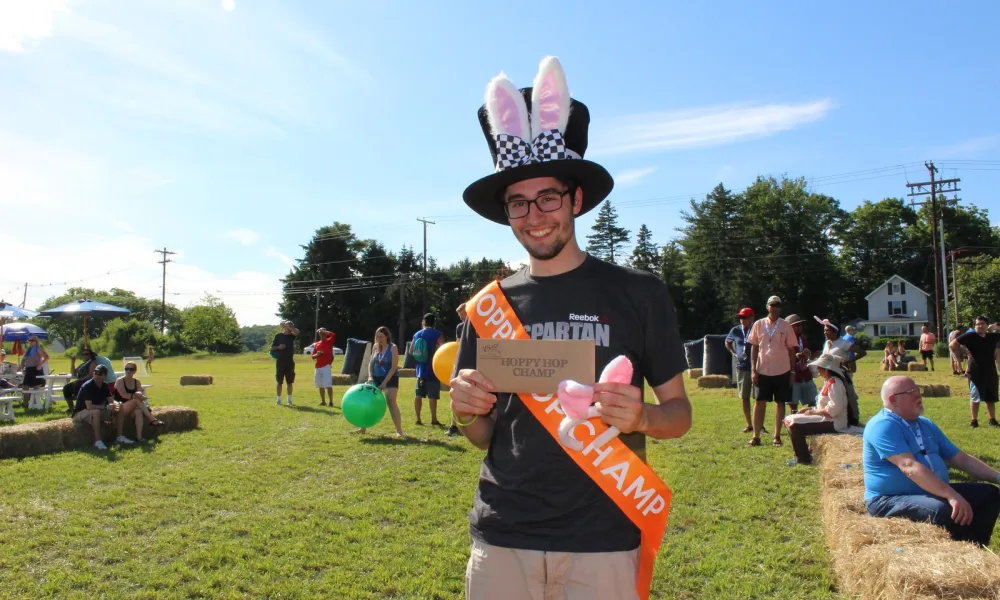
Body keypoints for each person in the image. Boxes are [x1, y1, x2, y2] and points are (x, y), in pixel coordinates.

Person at [449, 56, 692, 600]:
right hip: (503, 536)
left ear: (576, 199)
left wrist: (645, 416)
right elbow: (483, 436)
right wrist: (465, 411)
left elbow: (680, 414)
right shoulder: (488, 308)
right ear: (506, 213)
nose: (534, 215)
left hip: (604, 539)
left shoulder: (639, 292)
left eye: (548, 198)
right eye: (518, 203)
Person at [863, 376, 1000, 547]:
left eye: (918, 390)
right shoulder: (883, 425)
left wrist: (997, 477)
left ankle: (976, 549)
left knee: (989, 494)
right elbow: (909, 466)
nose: (919, 396)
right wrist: (952, 495)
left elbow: (960, 458)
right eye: (911, 392)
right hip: (889, 499)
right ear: (893, 400)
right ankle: (961, 554)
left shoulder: (925, 424)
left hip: (929, 492)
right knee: (943, 510)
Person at [747, 295, 797, 448]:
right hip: (763, 370)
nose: (775, 308)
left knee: (780, 402)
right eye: (772, 305)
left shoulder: (786, 325)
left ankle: (777, 436)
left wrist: (793, 372)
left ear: (780, 308)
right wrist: (753, 369)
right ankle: (756, 436)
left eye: (777, 305)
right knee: (759, 402)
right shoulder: (758, 324)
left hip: (782, 370)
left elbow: (791, 350)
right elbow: (754, 348)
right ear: (767, 307)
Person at [784, 353, 850, 465]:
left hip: (834, 422)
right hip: (827, 418)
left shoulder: (835, 383)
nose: (817, 370)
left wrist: (814, 412)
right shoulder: (829, 381)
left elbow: (835, 408)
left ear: (826, 369)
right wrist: (808, 409)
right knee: (790, 419)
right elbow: (825, 405)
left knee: (794, 424)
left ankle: (803, 458)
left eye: (819, 367)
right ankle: (802, 455)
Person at [950, 316, 1000, 428]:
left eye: (982, 324)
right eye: (977, 324)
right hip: (975, 372)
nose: (980, 326)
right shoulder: (970, 336)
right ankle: (974, 421)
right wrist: (961, 354)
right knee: (975, 397)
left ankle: (992, 419)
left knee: (990, 397)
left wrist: (995, 328)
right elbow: (952, 344)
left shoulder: (992, 336)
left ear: (987, 325)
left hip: (990, 371)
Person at [817, 318, 865, 426]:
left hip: (842, 376)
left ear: (835, 331)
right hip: (829, 377)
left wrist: (849, 361)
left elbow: (862, 352)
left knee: (850, 397)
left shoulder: (843, 343)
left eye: (827, 330)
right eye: (824, 330)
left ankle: (854, 421)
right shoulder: (827, 343)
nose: (825, 332)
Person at [362, 326, 404, 437]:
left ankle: (399, 431)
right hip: (376, 377)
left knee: (391, 401)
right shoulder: (375, 347)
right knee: (368, 401)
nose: (379, 339)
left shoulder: (393, 347)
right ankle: (363, 428)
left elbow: (393, 367)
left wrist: (385, 382)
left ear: (386, 336)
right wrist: (370, 377)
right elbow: (371, 364)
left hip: (390, 377)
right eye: (377, 336)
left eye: (381, 336)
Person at [113, 361, 165, 443]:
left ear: (135, 371)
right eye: (126, 369)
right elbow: (124, 395)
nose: (128, 371)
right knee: (136, 400)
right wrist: (136, 395)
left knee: (138, 411)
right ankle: (152, 419)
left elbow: (139, 391)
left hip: (133, 408)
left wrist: (140, 394)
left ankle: (139, 437)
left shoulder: (137, 381)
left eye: (131, 369)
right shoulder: (120, 381)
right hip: (120, 408)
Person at [725, 307, 757, 433]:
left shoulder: (757, 329)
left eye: (744, 317)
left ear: (751, 318)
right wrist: (733, 353)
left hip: (757, 368)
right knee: (744, 397)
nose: (742, 320)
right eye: (740, 318)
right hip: (742, 368)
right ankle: (749, 424)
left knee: (758, 398)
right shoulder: (735, 330)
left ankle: (759, 424)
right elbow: (727, 342)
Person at [71, 365, 117, 450]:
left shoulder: (105, 386)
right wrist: (106, 407)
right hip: (80, 413)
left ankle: (119, 436)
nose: (97, 376)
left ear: (105, 376)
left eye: (100, 374)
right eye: (95, 373)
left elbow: (111, 400)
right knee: (96, 412)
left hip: (97, 410)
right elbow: (89, 406)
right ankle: (98, 441)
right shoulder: (88, 386)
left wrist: (116, 404)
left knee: (119, 408)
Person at [411, 313, 443, 426]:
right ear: (434, 322)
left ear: (424, 321)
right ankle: (434, 419)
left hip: (420, 370)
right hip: (433, 369)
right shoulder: (438, 334)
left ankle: (418, 419)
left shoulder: (417, 334)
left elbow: (411, 351)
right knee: (432, 395)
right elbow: (442, 349)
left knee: (418, 394)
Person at [447, 303, 470, 437]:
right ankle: (453, 425)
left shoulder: (479, 324)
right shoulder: (460, 327)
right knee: (456, 393)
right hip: (462, 363)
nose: (462, 318)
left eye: (463, 315)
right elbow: (458, 345)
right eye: (460, 316)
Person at [785, 314, 816, 414]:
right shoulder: (784, 340)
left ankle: (807, 422)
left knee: (813, 401)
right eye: (797, 325)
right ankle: (794, 425)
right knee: (793, 406)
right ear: (790, 327)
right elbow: (782, 358)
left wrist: (808, 354)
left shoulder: (802, 338)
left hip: (806, 375)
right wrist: (796, 356)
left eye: (801, 325)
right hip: (793, 376)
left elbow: (807, 354)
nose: (800, 327)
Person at [271, 320, 299, 406]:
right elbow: (272, 347)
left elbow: (297, 332)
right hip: (280, 361)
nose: (290, 329)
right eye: (288, 327)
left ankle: (289, 400)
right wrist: (278, 347)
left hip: (289, 361)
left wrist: (289, 326)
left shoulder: (291, 336)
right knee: (279, 381)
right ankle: (278, 400)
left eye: (290, 327)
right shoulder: (278, 336)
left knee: (289, 382)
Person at [19, 335, 49, 408]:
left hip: (36, 370)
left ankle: (35, 404)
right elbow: (24, 359)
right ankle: (25, 404)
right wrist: (22, 365)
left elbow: (47, 357)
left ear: (36, 341)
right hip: (29, 370)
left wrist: (40, 365)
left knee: (36, 387)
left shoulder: (38, 349)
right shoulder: (28, 350)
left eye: (32, 340)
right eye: (29, 341)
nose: (30, 342)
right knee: (25, 386)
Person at [311, 328, 336, 407]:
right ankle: (323, 401)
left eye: (323, 333)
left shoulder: (329, 341)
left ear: (325, 333)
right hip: (318, 367)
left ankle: (331, 402)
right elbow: (313, 356)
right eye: (320, 333)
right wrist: (317, 355)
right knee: (320, 385)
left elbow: (333, 335)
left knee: (328, 384)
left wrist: (324, 331)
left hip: (326, 366)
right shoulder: (317, 344)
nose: (321, 334)